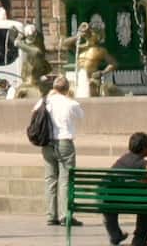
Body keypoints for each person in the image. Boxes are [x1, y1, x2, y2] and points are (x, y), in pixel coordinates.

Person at [35, 76, 84, 227]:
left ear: (54, 88)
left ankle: (51, 215)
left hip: (47, 143)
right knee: (65, 179)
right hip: (64, 142)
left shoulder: (45, 101)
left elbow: (34, 112)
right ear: (67, 89)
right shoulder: (71, 103)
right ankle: (65, 216)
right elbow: (81, 116)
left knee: (50, 179)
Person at [103, 132, 147, 246]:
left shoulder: (121, 160)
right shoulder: (144, 164)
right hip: (134, 202)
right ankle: (139, 241)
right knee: (146, 205)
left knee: (109, 200)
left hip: (111, 200)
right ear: (144, 148)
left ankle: (115, 235)